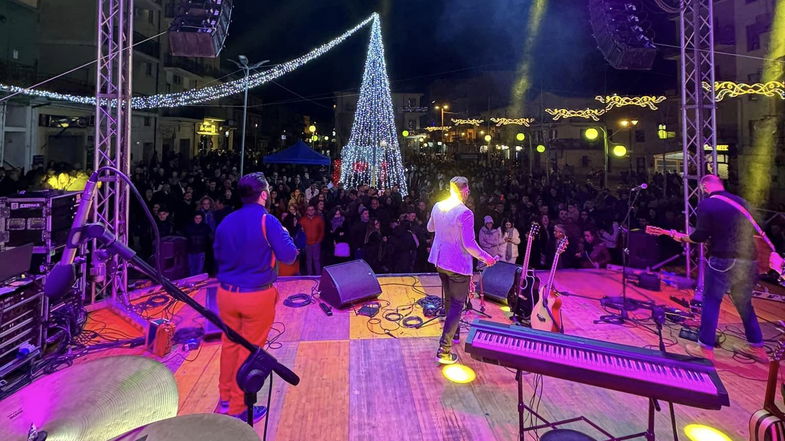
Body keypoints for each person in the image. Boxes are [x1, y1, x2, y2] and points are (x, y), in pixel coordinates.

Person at [213, 172, 298, 421]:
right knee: (249, 351)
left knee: (229, 347)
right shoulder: (267, 220)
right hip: (256, 296)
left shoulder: (225, 221)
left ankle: (225, 400)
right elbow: (289, 256)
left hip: (226, 294)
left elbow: (218, 255)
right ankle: (240, 409)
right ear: (263, 194)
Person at [667, 175, 764, 361]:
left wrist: (682, 238)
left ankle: (705, 348)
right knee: (744, 303)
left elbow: (700, 236)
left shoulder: (708, 204)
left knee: (711, 300)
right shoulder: (742, 202)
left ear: (704, 186)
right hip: (748, 260)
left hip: (723, 259)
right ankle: (757, 348)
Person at [428, 176, 497, 365]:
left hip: (440, 261)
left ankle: (455, 333)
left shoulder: (438, 206)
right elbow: (470, 245)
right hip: (457, 265)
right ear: (465, 191)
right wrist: (487, 258)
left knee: (450, 300)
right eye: (467, 191)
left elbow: (430, 228)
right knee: (458, 304)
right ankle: (444, 349)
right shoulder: (465, 213)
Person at [299, 204, 325, 275]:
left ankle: (318, 276)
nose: (310, 211)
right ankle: (310, 277)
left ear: (315, 211)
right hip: (306, 244)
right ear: (306, 211)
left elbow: (322, 231)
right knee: (308, 261)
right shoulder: (302, 220)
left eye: (312, 209)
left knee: (316, 260)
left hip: (316, 243)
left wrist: (318, 241)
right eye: (309, 210)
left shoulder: (319, 219)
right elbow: (300, 233)